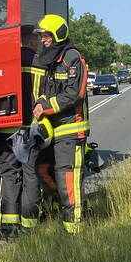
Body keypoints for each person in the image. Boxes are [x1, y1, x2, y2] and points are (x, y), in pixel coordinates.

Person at [0, 26, 45, 237]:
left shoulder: (5, 62)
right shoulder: (40, 63)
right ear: (31, 41)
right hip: (31, 129)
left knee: (9, 175)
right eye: (37, 39)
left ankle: (8, 227)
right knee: (31, 175)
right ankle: (30, 223)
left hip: (4, 129)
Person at [24, 14, 90, 235]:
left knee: (67, 177)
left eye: (46, 36)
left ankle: (74, 228)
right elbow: (47, 91)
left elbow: (74, 94)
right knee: (43, 170)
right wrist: (40, 103)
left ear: (58, 34)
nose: (43, 40)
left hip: (71, 129)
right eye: (41, 36)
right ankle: (57, 212)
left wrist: (46, 106)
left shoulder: (73, 58)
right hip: (52, 131)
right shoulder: (51, 59)